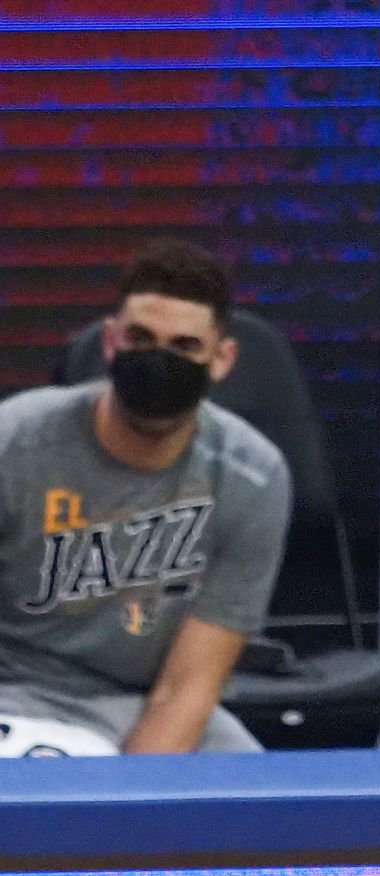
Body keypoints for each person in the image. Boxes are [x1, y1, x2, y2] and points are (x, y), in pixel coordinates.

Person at [0, 239, 290, 754]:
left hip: (150, 699)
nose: (160, 360)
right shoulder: (16, 441)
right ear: (110, 342)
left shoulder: (252, 477)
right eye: (141, 338)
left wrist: (131, 794)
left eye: (184, 346)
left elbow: (188, 687)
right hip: (17, 692)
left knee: (269, 798)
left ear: (221, 359)